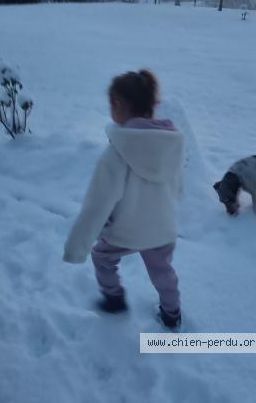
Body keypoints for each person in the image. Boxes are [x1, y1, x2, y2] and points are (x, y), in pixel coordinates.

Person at [63, 70, 184, 328]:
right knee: (163, 272)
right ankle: (172, 314)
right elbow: (176, 183)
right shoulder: (171, 143)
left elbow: (97, 205)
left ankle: (114, 298)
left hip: (128, 231)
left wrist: (76, 247)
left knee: (102, 257)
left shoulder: (116, 153)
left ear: (117, 104)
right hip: (163, 228)